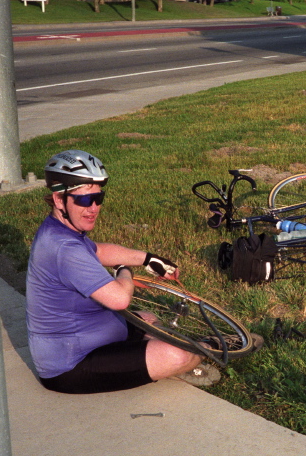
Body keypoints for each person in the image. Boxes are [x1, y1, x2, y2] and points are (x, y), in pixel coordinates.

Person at [26, 149, 217, 393]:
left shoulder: (60, 230)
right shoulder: (64, 248)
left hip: (94, 334)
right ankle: (208, 347)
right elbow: (119, 299)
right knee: (178, 355)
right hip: (72, 365)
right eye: (84, 200)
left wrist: (148, 258)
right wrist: (124, 271)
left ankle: (165, 355)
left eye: (98, 198)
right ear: (58, 200)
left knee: (148, 318)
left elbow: (97, 251)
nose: (93, 208)